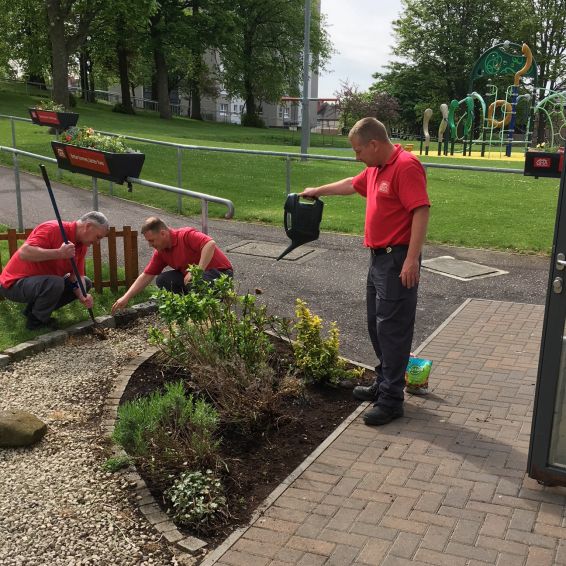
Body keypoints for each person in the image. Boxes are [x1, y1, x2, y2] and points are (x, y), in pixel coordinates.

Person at [301, 117, 430, 426]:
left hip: (397, 260)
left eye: (359, 150)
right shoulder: (375, 168)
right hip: (378, 259)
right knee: (376, 324)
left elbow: (421, 211)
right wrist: (318, 190)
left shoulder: (406, 166)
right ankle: (383, 382)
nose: (356, 157)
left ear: (374, 144)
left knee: (393, 329)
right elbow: (350, 183)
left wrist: (412, 259)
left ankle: (391, 400)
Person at [0, 211, 109, 330]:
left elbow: (76, 276)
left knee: (85, 283)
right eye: (98, 237)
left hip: (41, 284)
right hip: (13, 285)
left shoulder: (81, 245)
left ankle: (32, 311)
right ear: (88, 226)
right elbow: (24, 253)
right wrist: (59, 253)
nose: (97, 242)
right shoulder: (53, 228)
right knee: (56, 283)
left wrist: (83, 295)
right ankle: (36, 322)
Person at [111, 217, 233, 313]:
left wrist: (197, 271)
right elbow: (147, 275)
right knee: (163, 280)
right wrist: (126, 297)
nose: (150, 245)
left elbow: (209, 244)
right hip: (196, 278)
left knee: (194, 281)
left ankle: (208, 309)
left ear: (163, 233)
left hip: (221, 273)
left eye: (151, 240)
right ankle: (188, 308)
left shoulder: (185, 235)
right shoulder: (161, 251)